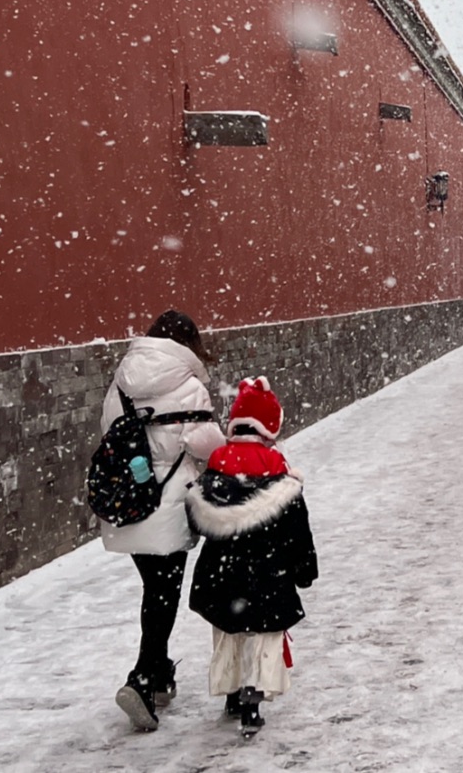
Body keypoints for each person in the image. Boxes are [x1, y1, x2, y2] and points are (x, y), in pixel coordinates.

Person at [102, 310, 227, 732]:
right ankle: (141, 678)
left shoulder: (121, 382)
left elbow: (110, 433)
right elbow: (207, 447)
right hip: (169, 504)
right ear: (189, 343)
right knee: (163, 593)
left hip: (129, 503)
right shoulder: (189, 386)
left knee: (154, 588)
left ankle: (159, 675)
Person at [187, 377, 318, 738]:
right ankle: (252, 701)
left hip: (221, 572)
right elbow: (296, 529)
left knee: (229, 632)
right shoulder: (279, 470)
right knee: (263, 637)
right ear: (270, 427)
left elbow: (197, 519)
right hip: (268, 572)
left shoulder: (216, 465)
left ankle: (230, 690)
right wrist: (304, 569)